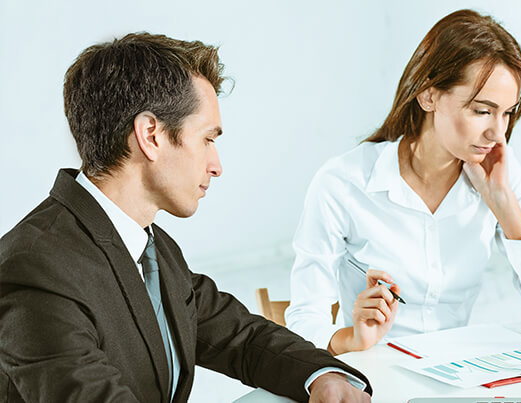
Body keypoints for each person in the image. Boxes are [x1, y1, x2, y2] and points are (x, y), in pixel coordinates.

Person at [0, 33, 371, 402]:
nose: (217, 165)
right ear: (151, 135)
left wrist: (322, 377)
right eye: (207, 139)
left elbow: (241, 337)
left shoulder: (150, 246)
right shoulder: (35, 270)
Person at [285, 9, 521, 356]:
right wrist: (352, 338)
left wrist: (503, 203)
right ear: (428, 96)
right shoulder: (343, 183)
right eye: (482, 111)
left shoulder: (500, 175)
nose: (497, 133)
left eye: (507, 113)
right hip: (375, 369)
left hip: (456, 370)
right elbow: (304, 321)